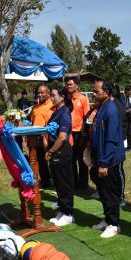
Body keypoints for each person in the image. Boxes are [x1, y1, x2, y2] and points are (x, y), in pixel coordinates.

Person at [89, 81, 125, 238]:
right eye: (93, 92)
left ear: (107, 92)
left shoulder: (111, 110)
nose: (94, 94)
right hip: (100, 157)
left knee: (110, 192)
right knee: (103, 191)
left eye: (96, 91)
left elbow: (112, 139)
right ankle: (108, 219)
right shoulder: (101, 108)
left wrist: (104, 163)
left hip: (109, 160)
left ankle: (115, 224)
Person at [45, 87, 75, 227]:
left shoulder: (64, 113)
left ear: (62, 97)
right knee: (57, 183)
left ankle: (68, 213)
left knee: (64, 183)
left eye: (53, 95)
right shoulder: (57, 112)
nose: (51, 98)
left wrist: (50, 151)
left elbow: (62, 137)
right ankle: (62, 211)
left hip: (62, 151)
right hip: (55, 150)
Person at [66, 77, 90, 190]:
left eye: (71, 84)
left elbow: (87, 117)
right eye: (67, 85)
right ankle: (73, 183)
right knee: (71, 159)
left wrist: (84, 134)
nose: (69, 86)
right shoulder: (65, 99)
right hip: (68, 133)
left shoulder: (83, 99)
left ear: (77, 85)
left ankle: (83, 184)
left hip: (80, 133)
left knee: (81, 159)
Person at [28, 85, 54, 189]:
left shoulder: (52, 106)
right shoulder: (35, 107)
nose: (40, 95)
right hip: (35, 137)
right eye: (38, 92)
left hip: (48, 137)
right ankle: (45, 182)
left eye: (42, 92)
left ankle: (55, 183)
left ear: (48, 93)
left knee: (50, 160)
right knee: (39, 161)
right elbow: (32, 122)